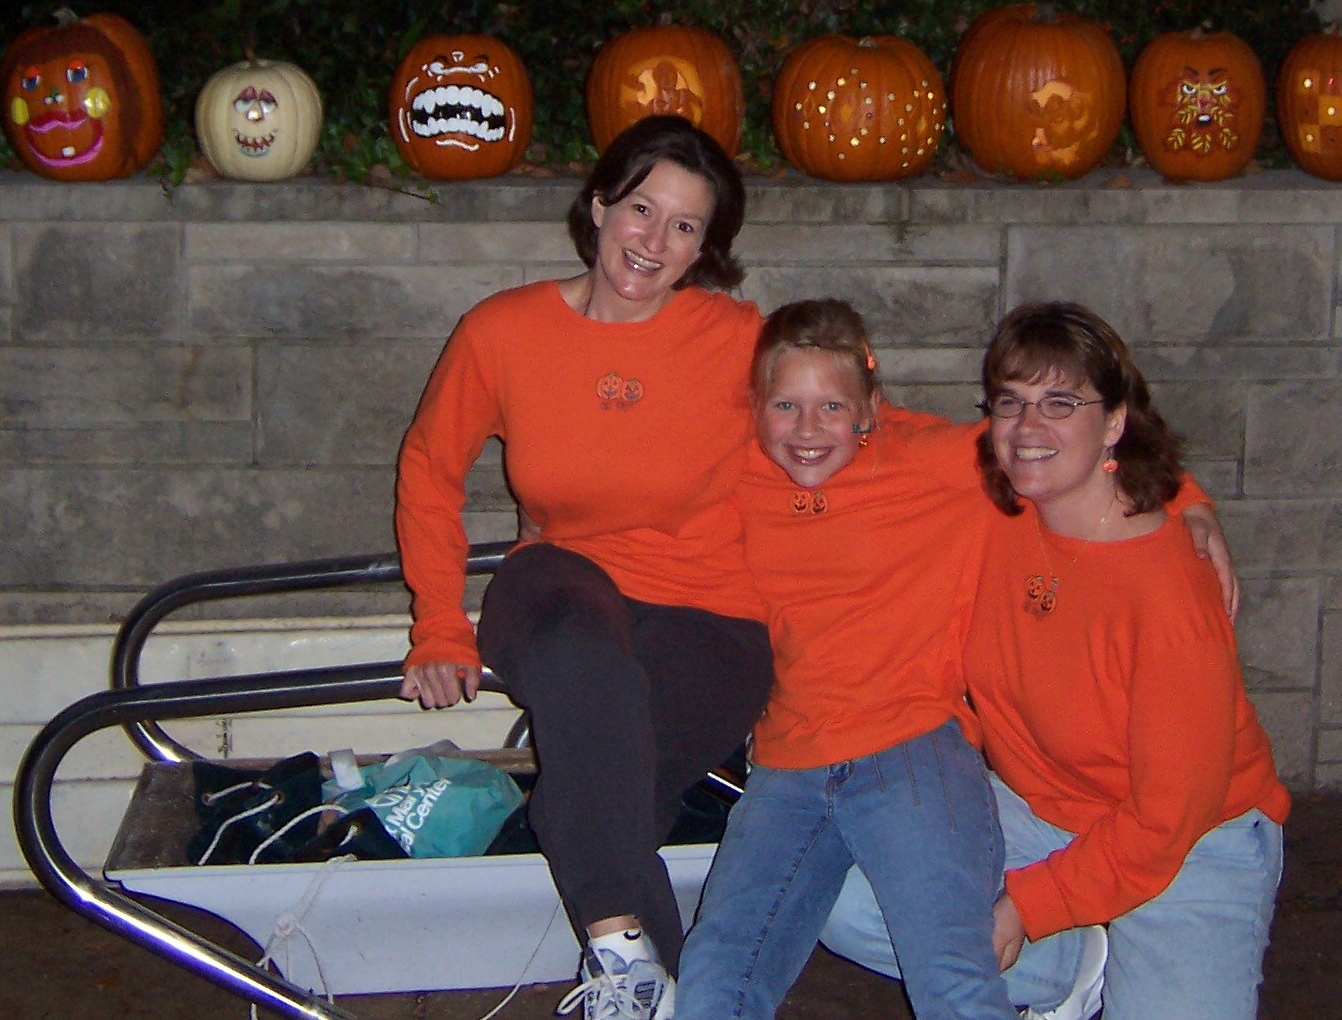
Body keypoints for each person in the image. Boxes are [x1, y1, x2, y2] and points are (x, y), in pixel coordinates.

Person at [678, 300, 1229, 1020]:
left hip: (912, 745)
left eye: (833, 407)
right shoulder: (736, 471)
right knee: (718, 971)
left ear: (872, 408)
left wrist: (1191, 501)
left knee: (950, 969)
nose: (808, 431)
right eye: (786, 405)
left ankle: (1066, 972)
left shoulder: (936, 461)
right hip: (790, 759)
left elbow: (1066, 453)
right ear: (756, 408)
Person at [394, 116, 773, 1020]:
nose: (654, 240)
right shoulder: (503, 330)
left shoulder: (741, 338)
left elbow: (866, 424)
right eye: (642, 208)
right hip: (560, 579)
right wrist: (439, 621)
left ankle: (640, 975)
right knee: (579, 668)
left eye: (685, 226)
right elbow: (428, 469)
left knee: (589, 792)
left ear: (704, 250)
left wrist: (1129, 469)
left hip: (711, 609)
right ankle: (640, 963)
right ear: (599, 206)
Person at [823, 301, 1289, 1020]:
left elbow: (1166, 821)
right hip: (1036, 811)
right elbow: (870, 429)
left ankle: (1094, 939)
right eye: (1010, 403)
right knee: (849, 899)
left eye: (1060, 403)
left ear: (1113, 421)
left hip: (1193, 844)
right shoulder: (997, 503)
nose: (1028, 427)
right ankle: (1076, 964)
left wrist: (1026, 907)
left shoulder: (1169, 597)